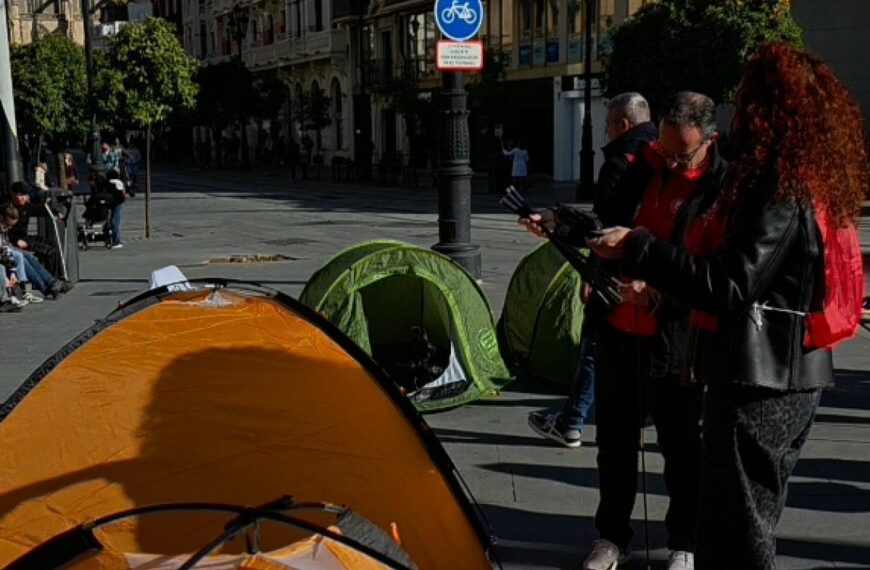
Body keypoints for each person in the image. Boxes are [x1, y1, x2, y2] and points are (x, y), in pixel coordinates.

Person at [589, 44, 868, 569]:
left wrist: (640, 246)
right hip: (786, 369)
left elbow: (729, 284)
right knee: (747, 522)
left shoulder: (778, 186)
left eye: (746, 100)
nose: (738, 112)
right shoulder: (805, 177)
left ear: (766, 109)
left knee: (737, 530)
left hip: (759, 378)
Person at [525, 92, 726, 570]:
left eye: (686, 153)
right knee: (614, 441)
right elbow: (606, 224)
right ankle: (611, 535)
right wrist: (562, 226)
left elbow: (714, 273)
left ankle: (685, 542)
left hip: (675, 331)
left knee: (681, 444)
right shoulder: (641, 164)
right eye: (668, 147)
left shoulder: (721, 183)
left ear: (709, 140)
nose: (674, 159)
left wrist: (656, 289)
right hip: (619, 321)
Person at [527, 92, 658, 448]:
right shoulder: (662, 157)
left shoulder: (621, 162)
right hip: (654, 270)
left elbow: (606, 229)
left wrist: (590, 269)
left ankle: (571, 421)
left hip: (617, 272)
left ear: (623, 125)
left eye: (607, 124)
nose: (605, 132)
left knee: (595, 343)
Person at [5, 182, 66, 280]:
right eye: (20, 195)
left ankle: (58, 276)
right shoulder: (7, 208)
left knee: (52, 244)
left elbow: (38, 210)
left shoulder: (26, 206)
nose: (23, 198)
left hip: (25, 237)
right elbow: (4, 230)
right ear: (13, 194)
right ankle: (53, 280)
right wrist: (16, 240)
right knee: (48, 251)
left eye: (25, 195)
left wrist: (54, 212)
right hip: (13, 239)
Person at [105, 170, 126, 249]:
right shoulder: (119, 182)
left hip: (114, 204)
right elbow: (122, 194)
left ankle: (117, 241)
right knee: (114, 222)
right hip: (119, 203)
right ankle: (115, 240)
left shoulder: (111, 183)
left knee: (114, 222)